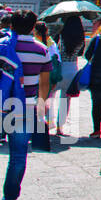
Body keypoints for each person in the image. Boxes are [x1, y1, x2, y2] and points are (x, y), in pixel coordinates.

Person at [0, 10, 51, 200]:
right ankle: (10, 198)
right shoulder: (42, 50)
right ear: (34, 27)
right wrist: (41, 107)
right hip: (25, 107)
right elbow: (45, 83)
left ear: (10, 25)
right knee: (18, 154)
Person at [30, 22, 59, 151]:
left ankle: (33, 129)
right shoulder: (51, 43)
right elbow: (57, 60)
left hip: (34, 77)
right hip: (47, 77)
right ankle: (41, 129)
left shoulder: (34, 43)